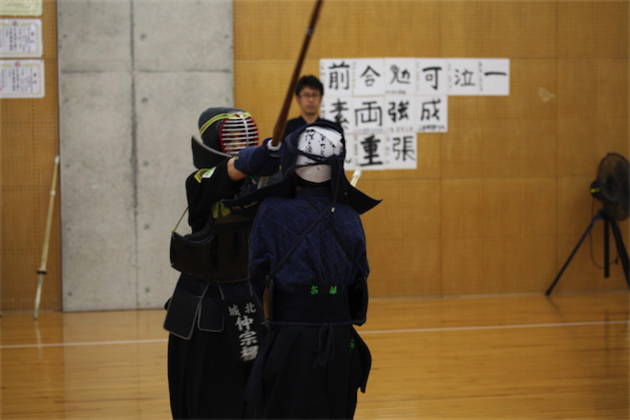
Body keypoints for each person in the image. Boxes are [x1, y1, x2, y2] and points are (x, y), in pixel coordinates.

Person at [231, 121, 380, 419]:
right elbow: (359, 274)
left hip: (290, 341)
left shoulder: (272, 210)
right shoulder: (350, 216)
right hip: (340, 340)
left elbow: (256, 273)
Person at [164, 107, 281, 419]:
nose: (242, 140)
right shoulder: (201, 180)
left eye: (247, 134)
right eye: (232, 135)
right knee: (210, 394)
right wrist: (250, 161)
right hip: (206, 302)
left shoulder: (267, 179)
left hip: (253, 297)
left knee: (255, 390)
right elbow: (226, 173)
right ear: (214, 140)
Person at [282, 75, 329, 140]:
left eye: (315, 95)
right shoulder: (287, 128)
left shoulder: (331, 128)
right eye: (306, 95)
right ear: (298, 98)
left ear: (321, 98)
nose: (311, 100)